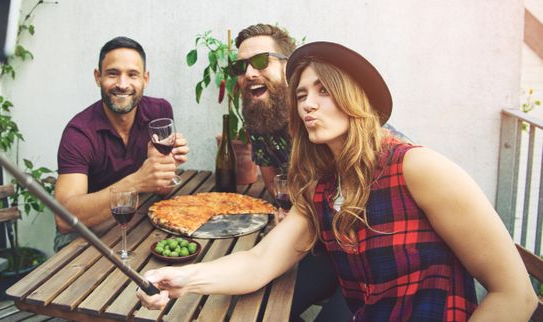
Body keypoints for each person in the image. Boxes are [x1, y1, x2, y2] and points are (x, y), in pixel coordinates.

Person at [137, 41, 538, 321]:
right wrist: (181, 280)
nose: (308, 103)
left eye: (324, 91)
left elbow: (515, 296)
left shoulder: (417, 168)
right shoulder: (321, 189)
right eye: (301, 95)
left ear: (355, 99)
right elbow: (259, 262)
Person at [233, 24, 409, 321]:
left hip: (377, 260)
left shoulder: (367, 139)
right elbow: (280, 190)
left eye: (261, 61)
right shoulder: (260, 119)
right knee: (260, 307)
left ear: (289, 68)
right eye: (240, 66)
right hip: (324, 247)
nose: (249, 72)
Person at [53, 36, 189, 251]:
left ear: (145, 79)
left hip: (138, 220)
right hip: (86, 236)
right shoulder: (78, 132)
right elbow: (63, 220)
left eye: (132, 75)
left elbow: (162, 189)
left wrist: (165, 168)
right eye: (112, 73)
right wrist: (137, 181)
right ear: (98, 77)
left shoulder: (160, 112)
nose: (123, 84)